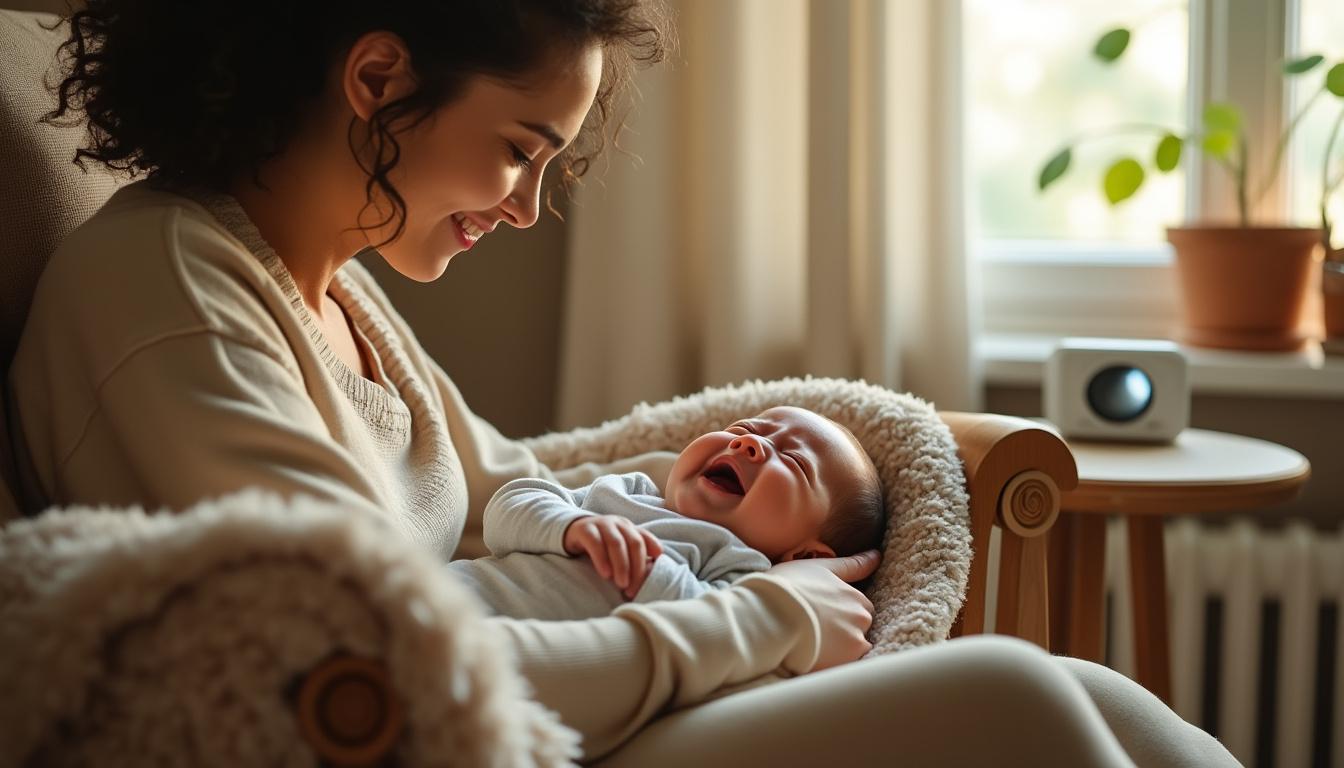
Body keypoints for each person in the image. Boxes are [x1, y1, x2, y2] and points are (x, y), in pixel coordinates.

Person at [5, 1, 1238, 765]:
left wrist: (708, 525)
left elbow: (518, 487)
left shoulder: (331, 286)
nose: (531, 206)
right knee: (1015, 697)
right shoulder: (172, 297)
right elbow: (374, 676)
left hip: (580, 685)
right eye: (517, 150)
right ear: (376, 80)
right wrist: (761, 622)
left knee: (1101, 699)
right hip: (488, 734)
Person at [447, 405, 885, 619]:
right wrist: (572, 525)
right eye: (745, 430)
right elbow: (505, 511)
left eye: (793, 462)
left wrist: (647, 571)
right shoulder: (630, 491)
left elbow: (709, 628)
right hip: (443, 594)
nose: (749, 444)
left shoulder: (739, 571)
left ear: (806, 557)